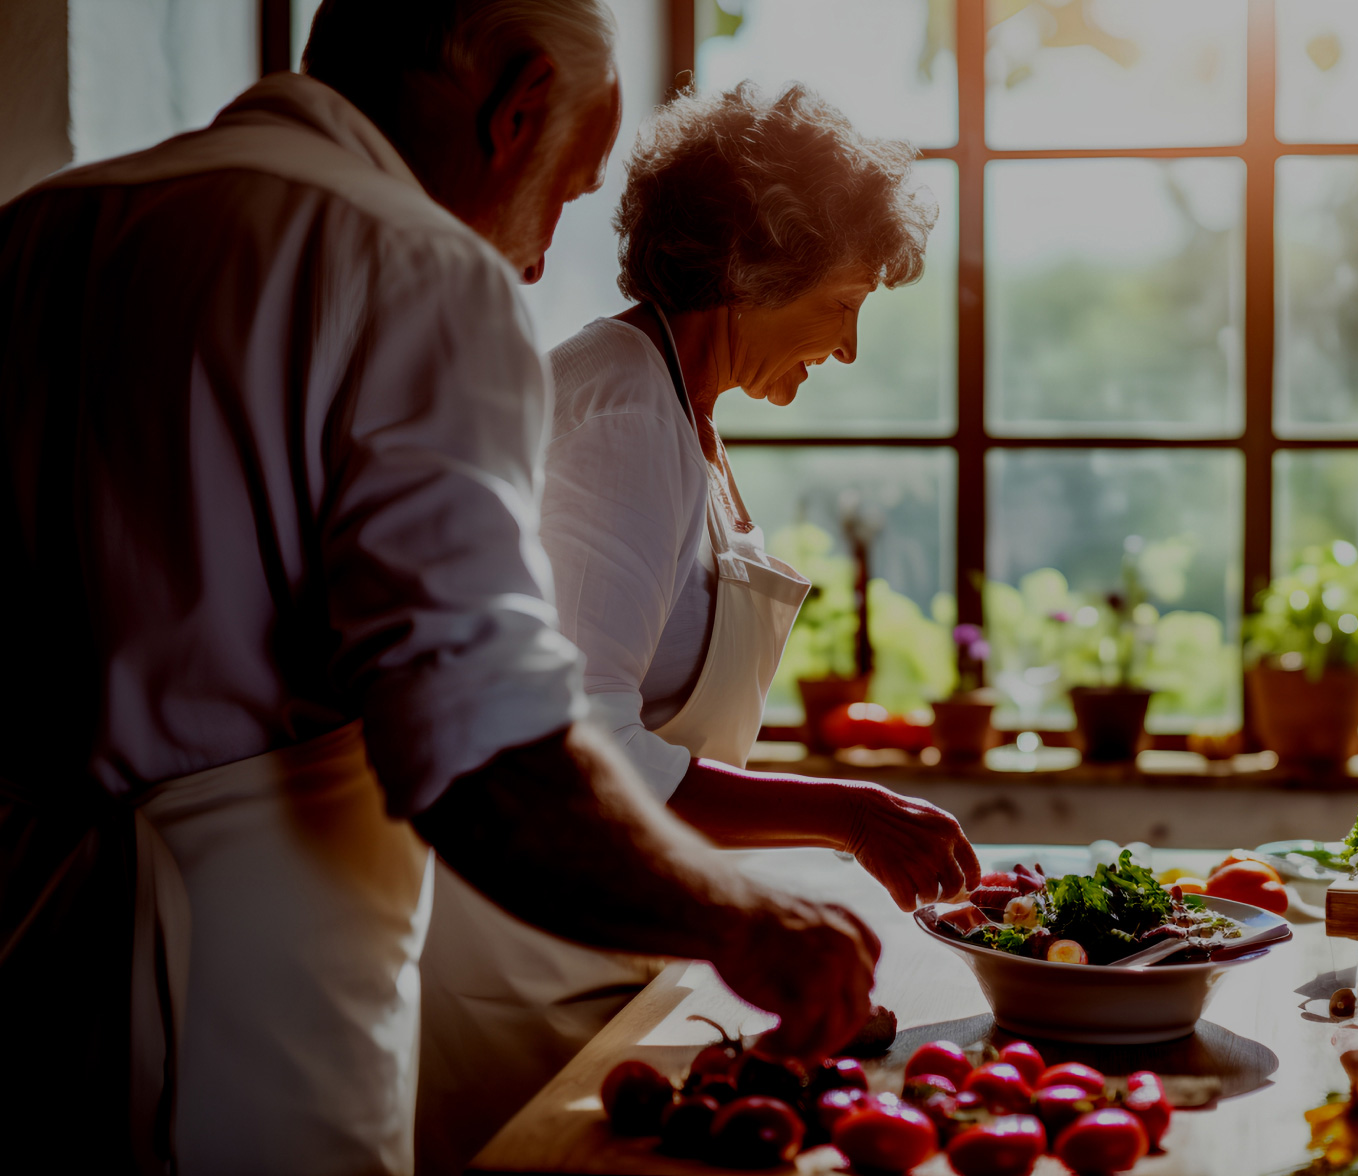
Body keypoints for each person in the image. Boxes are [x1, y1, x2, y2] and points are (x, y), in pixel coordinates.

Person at [0, 3, 878, 1173]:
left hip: (26, 958)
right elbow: (483, 758)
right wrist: (741, 922)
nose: (533, 257)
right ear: (515, 111)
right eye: (565, 190)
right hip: (246, 1008)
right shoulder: (417, 267)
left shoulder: (33, 233)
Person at [414, 80, 982, 1172]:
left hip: (612, 949)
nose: (850, 348)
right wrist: (849, 813)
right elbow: (584, 746)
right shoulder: (622, 412)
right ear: (751, 264)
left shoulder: (680, 406)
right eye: (845, 300)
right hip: (536, 977)